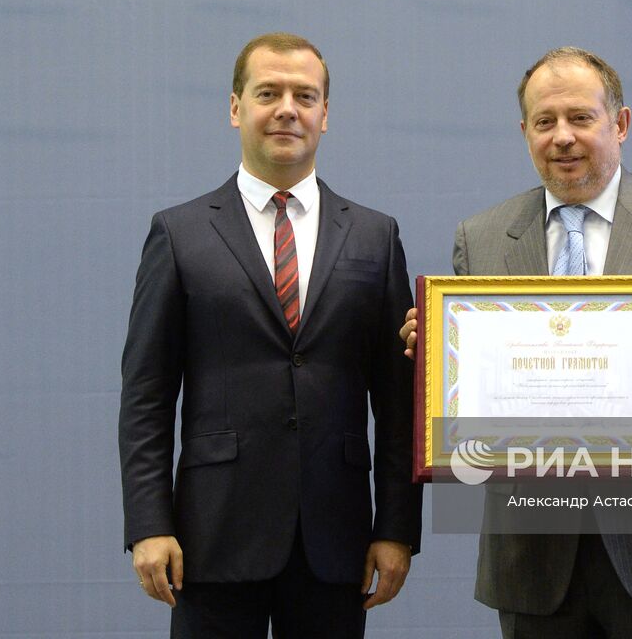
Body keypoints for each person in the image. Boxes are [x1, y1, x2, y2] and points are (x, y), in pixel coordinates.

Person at [402, 46, 632, 639]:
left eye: (581, 117)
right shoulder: (481, 238)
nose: (563, 138)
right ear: (525, 132)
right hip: (534, 561)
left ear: (619, 124)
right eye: (545, 122)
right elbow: (472, 394)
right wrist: (434, 358)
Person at [119, 33, 422, 638]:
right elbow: (146, 395)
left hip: (335, 537)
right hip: (211, 535)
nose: (288, 108)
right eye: (269, 93)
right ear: (236, 108)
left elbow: (398, 401)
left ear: (325, 115)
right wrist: (148, 524)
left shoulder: (374, 236)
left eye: (305, 95)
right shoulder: (178, 234)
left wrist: (396, 529)